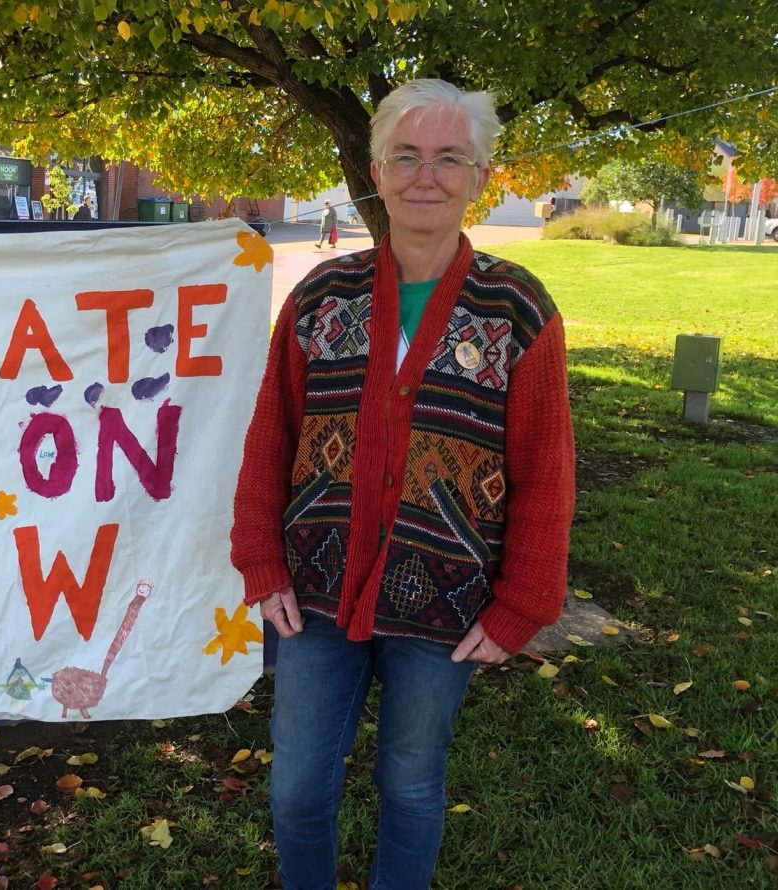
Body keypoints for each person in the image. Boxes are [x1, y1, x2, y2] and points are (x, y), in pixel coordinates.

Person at [231, 78, 574, 890]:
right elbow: (271, 433)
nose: (428, 175)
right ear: (375, 174)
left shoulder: (516, 306)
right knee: (296, 789)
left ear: (480, 177)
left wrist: (523, 602)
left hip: (447, 599)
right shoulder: (321, 296)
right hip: (313, 589)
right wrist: (260, 557)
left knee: (411, 785)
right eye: (407, 156)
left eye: (449, 157)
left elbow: (547, 469)